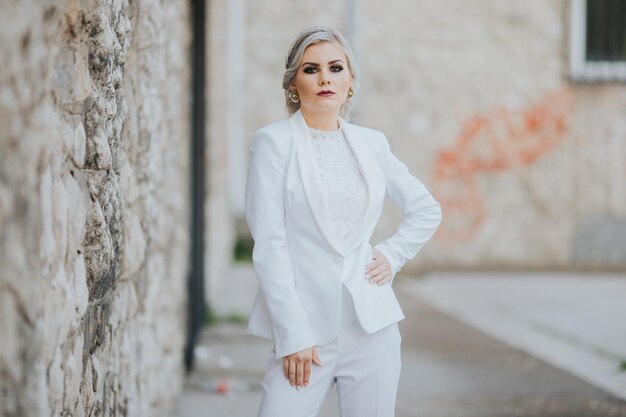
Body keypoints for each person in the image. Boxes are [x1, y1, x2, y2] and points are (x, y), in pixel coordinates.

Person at [244, 26, 442, 417]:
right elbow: (270, 245)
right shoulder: (272, 144)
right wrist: (292, 335)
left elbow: (426, 209)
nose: (324, 79)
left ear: (350, 81)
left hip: (372, 328)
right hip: (305, 331)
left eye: (336, 68)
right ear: (292, 83)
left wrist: (392, 253)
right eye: (311, 69)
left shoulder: (373, 144)